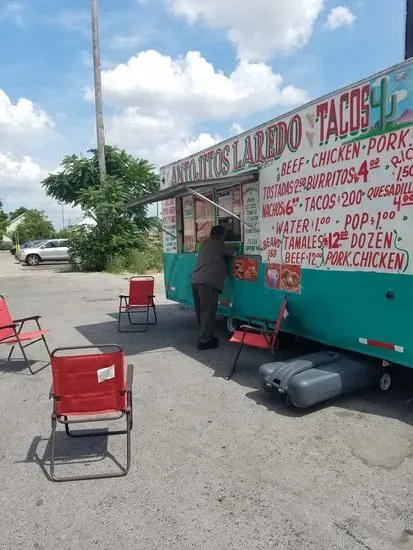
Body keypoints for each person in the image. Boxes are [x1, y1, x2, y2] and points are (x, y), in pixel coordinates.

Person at [191, 225, 236, 350]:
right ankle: (204, 341)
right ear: (220, 236)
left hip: (196, 281)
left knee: (201, 311)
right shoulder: (218, 244)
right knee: (208, 312)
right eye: (224, 236)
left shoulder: (205, 243)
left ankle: (206, 335)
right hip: (207, 284)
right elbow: (233, 252)